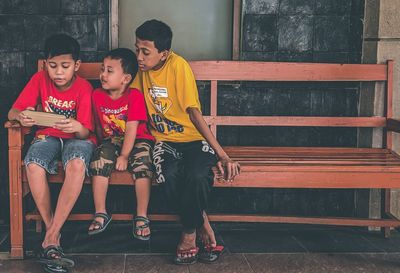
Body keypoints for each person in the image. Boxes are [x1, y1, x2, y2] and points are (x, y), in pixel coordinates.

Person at [131, 19, 241, 265]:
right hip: (164, 141)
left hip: (193, 139)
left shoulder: (178, 66)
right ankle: (201, 224)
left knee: (198, 175)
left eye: (145, 51)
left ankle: (188, 235)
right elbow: (131, 103)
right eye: (137, 49)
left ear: (164, 54)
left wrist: (222, 154)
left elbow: (194, 112)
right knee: (167, 175)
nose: (139, 56)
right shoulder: (141, 71)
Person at [8, 33, 95, 270]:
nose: (58, 72)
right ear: (45, 64)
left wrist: (77, 126)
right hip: (47, 136)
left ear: (76, 65)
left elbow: (86, 132)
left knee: (76, 164)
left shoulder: (84, 87)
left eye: (65, 66)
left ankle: (51, 235)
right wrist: (21, 115)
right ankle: (52, 235)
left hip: (76, 139)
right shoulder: (39, 80)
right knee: (33, 163)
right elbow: (12, 112)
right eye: (52, 66)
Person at [87, 48, 155, 241]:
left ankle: (141, 215)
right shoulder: (97, 95)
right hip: (112, 140)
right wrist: (103, 147)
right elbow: (99, 126)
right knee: (99, 160)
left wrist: (124, 156)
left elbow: (132, 128)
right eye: (102, 69)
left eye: (110, 70)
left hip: (139, 139)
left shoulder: (134, 96)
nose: (103, 74)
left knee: (142, 163)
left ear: (125, 78)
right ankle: (101, 212)